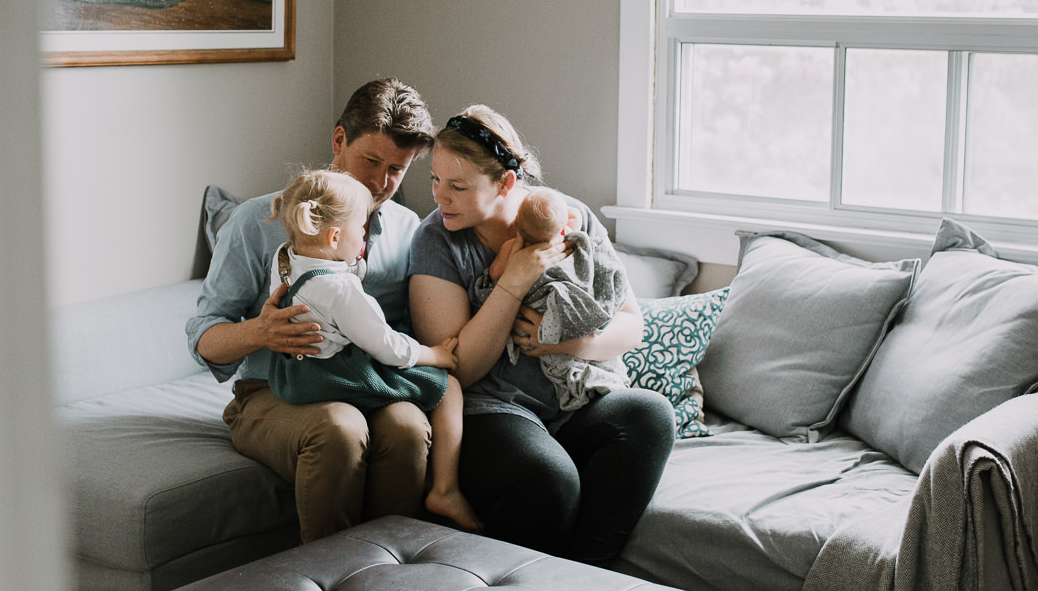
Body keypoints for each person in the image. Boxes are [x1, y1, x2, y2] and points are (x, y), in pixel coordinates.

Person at [408, 106, 675, 565]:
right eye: (434, 180)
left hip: (573, 397)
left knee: (650, 414)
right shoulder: (435, 241)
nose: (439, 198)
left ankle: (585, 579)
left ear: (506, 183)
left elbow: (632, 326)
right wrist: (515, 278)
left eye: (457, 186)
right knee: (549, 480)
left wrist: (567, 344)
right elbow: (461, 369)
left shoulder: (568, 218)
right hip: (492, 409)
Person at [186, 78, 437, 542]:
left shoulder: (409, 232)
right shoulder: (256, 223)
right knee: (339, 429)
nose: (381, 183)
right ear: (339, 141)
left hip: (365, 385)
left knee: (407, 427)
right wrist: (260, 333)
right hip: (271, 392)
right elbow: (202, 336)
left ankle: (388, 579)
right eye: (371, 161)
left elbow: (406, 329)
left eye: (397, 170)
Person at [265, 168, 481, 530]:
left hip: (295, 372)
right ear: (334, 237)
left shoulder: (286, 257)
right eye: (361, 229)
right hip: (333, 374)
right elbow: (388, 347)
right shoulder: (341, 290)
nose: (365, 236)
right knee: (450, 389)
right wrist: (436, 355)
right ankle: (445, 488)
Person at [480, 186, 631, 412]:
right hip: (566, 311)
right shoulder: (570, 241)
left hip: (537, 323)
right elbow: (574, 215)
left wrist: (496, 274)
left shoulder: (511, 248)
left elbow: (493, 274)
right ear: (562, 229)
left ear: (517, 224)